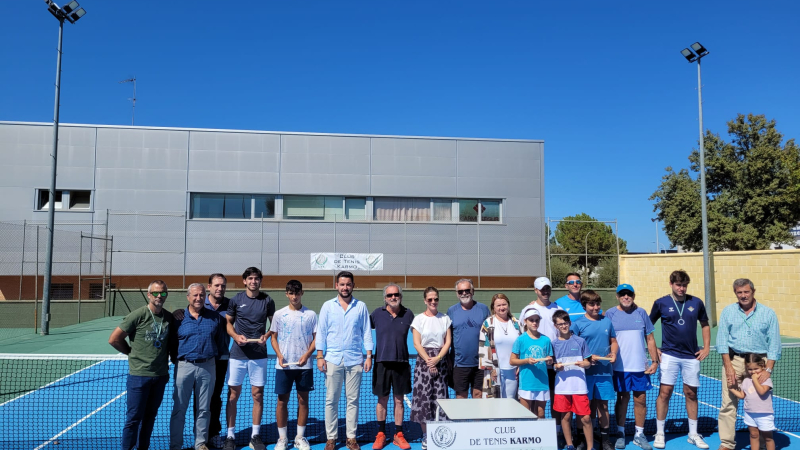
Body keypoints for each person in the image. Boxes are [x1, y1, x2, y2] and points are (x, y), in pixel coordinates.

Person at [108, 280, 174, 450]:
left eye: (163, 293)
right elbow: (114, 339)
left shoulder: (168, 317)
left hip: (160, 376)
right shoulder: (137, 315)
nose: (160, 296)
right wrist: (130, 352)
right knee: (134, 418)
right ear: (149, 294)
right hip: (139, 376)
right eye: (156, 293)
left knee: (150, 416)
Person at [716, 278, 781, 450]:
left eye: (746, 292)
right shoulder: (728, 311)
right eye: (739, 292)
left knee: (759, 401)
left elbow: (774, 344)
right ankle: (727, 444)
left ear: (753, 292)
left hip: (759, 363)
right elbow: (722, 341)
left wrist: (768, 368)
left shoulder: (768, 313)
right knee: (728, 403)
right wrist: (728, 366)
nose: (743, 295)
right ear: (735, 293)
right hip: (735, 361)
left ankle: (759, 443)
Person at [649, 271, 710, 449]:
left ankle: (693, 434)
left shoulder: (696, 302)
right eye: (678, 285)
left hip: (691, 356)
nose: (681, 288)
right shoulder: (661, 303)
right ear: (671, 284)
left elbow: (705, 325)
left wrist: (706, 347)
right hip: (669, 355)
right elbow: (647, 326)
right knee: (665, 393)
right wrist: (655, 349)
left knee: (691, 393)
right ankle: (660, 433)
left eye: (684, 285)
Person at [316, 271, 373, 450]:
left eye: (348, 284)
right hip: (332, 359)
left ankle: (351, 438)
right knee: (331, 400)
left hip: (355, 359)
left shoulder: (361, 306)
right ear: (336, 286)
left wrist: (369, 355)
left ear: (353, 286)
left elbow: (366, 332)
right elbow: (321, 333)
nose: (345, 287)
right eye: (342, 284)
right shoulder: (327, 306)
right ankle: (331, 438)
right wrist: (319, 355)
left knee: (352, 400)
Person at [174, 274, 231, 448]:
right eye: (195, 295)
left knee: (207, 406)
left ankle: (203, 442)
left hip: (211, 364)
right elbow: (172, 342)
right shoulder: (179, 318)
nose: (198, 298)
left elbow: (222, 337)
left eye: (200, 295)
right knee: (180, 409)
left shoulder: (221, 313)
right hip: (185, 365)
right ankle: (175, 445)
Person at [224, 267, 276, 450]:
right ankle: (230, 436)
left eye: (257, 278)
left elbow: (274, 324)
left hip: (258, 356)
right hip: (238, 355)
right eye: (250, 278)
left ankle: (255, 435)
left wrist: (267, 335)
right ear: (244, 281)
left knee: (257, 395)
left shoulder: (268, 300)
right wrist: (236, 337)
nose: (254, 281)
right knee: (232, 395)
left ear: (260, 281)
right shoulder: (236, 300)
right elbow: (228, 323)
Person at [605, 284, 658, 450]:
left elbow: (650, 339)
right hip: (619, 367)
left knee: (640, 399)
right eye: (622, 294)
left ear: (633, 296)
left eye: (629, 294)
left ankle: (639, 434)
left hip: (640, 367)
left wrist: (655, 361)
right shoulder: (610, 314)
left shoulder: (641, 313)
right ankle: (620, 432)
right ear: (618, 296)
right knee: (622, 398)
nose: (626, 297)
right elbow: (605, 338)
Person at [269, 280, 317, 450]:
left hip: (304, 366)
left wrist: (307, 355)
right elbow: (273, 337)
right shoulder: (279, 314)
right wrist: (280, 355)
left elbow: (316, 338)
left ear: (302, 293)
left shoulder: (311, 314)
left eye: (297, 293)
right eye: (291, 293)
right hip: (284, 366)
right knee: (282, 401)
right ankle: (282, 439)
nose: (294, 296)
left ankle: (300, 437)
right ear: (286, 294)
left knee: (303, 401)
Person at [571, 290, 618, 450]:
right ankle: (582, 438)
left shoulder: (607, 322)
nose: (596, 307)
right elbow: (573, 347)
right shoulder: (577, 324)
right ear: (584, 305)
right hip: (584, 374)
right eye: (591, 304)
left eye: (598, 304)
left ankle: (605, 440)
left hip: (604, 372)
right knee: (584, 407)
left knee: (603, 406)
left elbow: (613, 341)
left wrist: (614, 352)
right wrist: (588, 358)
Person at [371, 283, 414, 450]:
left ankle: (398, 434)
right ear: (385, 298)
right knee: (382, 400)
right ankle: (381, 433)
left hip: (401, 363)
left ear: (400, 296)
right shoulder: (377, 314)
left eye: (396, 294)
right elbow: (362, 331)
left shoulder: (408, 314)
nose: (393, 297)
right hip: (381, 362)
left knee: (399, 400)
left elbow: (419, 335)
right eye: (389, 295)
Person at [520, 277, 563, 440]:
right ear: (536, 290)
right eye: (542, 289)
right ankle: (532, 432)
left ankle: (555, 430)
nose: (545, 291)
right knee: (531, 401)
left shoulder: (558, 308)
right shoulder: (528, 309)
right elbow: (521, 337)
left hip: (553, 364)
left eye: (547, 288)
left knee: (554, 398)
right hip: (532, 366)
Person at [410, 287, 452, 450]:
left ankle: (440, 434)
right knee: (424, 399)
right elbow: (416, 343)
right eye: (430, 299)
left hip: (440, 361)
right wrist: (429, 361)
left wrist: (438, 359)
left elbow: (447, 342)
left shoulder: (445, 318)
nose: (433, 302)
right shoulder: (418, 319)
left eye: (435, 299)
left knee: (440, 398)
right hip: (424, 363)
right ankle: (426, 435)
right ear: (425, 301)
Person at [552, 310, 593, 450]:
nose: (563, 326)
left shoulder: (580, 341)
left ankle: (590, 447)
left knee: (586, 418)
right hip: (562, 387)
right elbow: (552, 364)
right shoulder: (553, 344)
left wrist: (584, 364)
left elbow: (588, 362)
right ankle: (570, 445)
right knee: (566, 416)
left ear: (569, 323)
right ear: (555, 326)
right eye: (560, 324)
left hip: (579, 386)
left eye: (565, 323)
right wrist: (556, 366)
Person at [447, 278, 490, 399]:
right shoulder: (451, 311)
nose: (464, 293)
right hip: (459, 364)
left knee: (478, 395)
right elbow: (447, 336)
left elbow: (490, 334)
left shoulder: (483, 309)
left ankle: (478, 419)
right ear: (457, 293)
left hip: (480, 363)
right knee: (461, 396)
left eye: (467, 290)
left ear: (473, 291)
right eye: (460, 291)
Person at [509, 309, 552, 419]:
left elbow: (550, 359)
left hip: (542, 383)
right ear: (525, 321)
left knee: (541, 414)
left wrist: (549, 360)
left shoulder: (546, 340)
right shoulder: (520, 340)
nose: (534, 323)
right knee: (526, 415)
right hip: (527, 383)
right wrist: (526, 361)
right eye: (531, 320)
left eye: (536, 320)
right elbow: (512, 360)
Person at [479, 293, 521, 398]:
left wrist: (521, 365)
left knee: (511, 403)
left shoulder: (516, 324)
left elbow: (523, 346)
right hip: (494, 370)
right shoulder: (488, 323)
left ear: (508, 305)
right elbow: (483, 347)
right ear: (493, 307)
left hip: (513, 370)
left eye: (504, 304)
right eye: (498, 305)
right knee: (493, 403)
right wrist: (491, 368)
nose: (502, 308)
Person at [729, 354, 775, 450]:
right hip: (750, 413)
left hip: (764, 414)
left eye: (756, 368)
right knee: (753, 435)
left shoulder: (766, 380)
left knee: (768, 438)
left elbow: (762, 391)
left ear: (762, 366)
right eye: (750, 369)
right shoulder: (746, 381)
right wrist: (732, 389)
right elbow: (742, 395)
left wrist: (755, 380)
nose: (753, 372)